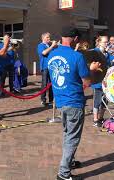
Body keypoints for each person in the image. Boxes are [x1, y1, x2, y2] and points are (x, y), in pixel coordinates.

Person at [47, 26, 100, 180]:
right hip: (74, 102)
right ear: (75, 39)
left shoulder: (52, 54)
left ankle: (69, 162)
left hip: (60, 101)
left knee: (67, 134)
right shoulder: (77, 57)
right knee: (72, 137)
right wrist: (92, 69)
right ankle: (63, 174)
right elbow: (87, 82)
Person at [91, 36, 110, 127]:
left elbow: (108, 66)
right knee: (97, 100)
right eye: (105, 42)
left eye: (107, 42)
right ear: (99, 42)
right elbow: (92, 67)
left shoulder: (107, 53)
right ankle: (95, 119)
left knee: (105, 100)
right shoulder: (95, 52)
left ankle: (101, 117)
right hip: (97, 80)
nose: (107, 44)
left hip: (106, 80)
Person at [37, 32, 58, 106]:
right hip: (45, 67)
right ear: (43, 38)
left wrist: (58, 46)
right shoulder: (40, 45)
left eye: (49, 37)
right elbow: (44, 53)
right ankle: (43, 100)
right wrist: (52, 46)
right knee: (44, 84)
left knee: (51, 84)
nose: (49, 39)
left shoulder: (49, 46)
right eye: (47, 37)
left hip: (51, 67)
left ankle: (51, 100)